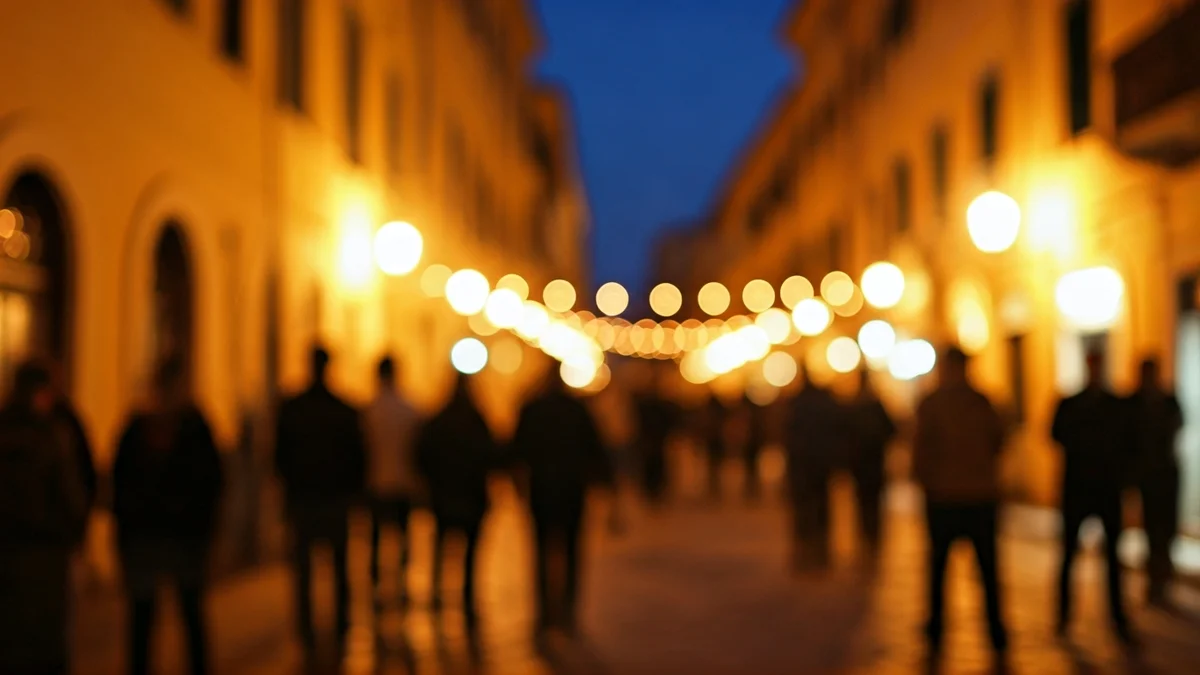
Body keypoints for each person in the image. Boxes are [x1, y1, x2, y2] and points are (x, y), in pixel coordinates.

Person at [113, 356, 224, 675]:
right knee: (149, 616)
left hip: (176, 538)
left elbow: (211, 483)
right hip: (158, 537)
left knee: (181, 613)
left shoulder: (190, 429)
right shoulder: (143, 428)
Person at [913, 347, 1008, 659]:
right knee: (984, 569)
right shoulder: (980, 402)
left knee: (942, 568)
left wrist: (927, 483)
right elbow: (999, 440)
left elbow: (920, 452)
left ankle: (940, 630)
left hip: (949, 498)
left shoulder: (934, 403)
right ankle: (995, 632)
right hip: (974, 497)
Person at [275, 346, 366, 660]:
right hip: (334, 500)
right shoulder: (344, 410)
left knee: (304, 572)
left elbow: (279, 457)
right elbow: (358, 458)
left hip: (304, 500)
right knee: (339, 568)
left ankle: (307, 633)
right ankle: (340, 627)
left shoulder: (293, 409)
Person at [0, 361, 88, 675]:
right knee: (46, 640)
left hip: (11, 553)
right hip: (46, 552)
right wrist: (76, 533)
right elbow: (71, 494)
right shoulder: (52, 435)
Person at [510, 368, 613, 637]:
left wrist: (519, 486)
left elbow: (517, 450)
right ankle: (568, 608)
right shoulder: (577, 410)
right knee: (571, 549)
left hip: (541, 489)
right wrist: (604, 488)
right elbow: (595, 450)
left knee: (541, 548)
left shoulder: (532, 410)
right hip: (572, 489)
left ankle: (545, 610)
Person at [1051, 350, 1136, 644]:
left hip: (1105, 490)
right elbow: (1055, 434)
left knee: (1113, 557)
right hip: (1077, 489)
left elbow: (1128, 442)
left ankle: (1117, 616)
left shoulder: (1115, 406)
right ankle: (1063, 616)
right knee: (1068, 554)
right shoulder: (1071, 404)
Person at [416, 374, 500, 626]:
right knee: (471, 554)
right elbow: (492, 456)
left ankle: (437, 594)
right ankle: (467, 600)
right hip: (472, 496)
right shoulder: (477, 420)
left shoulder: (439, 420)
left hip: (444, 496)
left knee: (441, 547)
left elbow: (422, 454)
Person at [364, 356, 422, 610]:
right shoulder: (409, 410)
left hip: (376, 485)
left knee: (376, 540)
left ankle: (376, 587)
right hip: (403, 485)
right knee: (402, 539)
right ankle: (400, 583)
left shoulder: (369, 411)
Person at [1128, 357, 1183, 607]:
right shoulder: (1136, 403)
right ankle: (1155, 582)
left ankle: (1164, 581)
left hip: (1165, 475)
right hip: (1149, 476)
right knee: (1152, 529)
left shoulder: (1167, 401)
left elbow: (1177, 426)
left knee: (1166, 529)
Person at [784, 365, 846, 572]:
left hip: (802, 465)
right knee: (821, 509)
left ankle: (805, 553)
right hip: (821, 465)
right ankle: (821, 553)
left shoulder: (796, 403)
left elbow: (787, 434)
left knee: (803, 511)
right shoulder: (826, 402)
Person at [850, 369, 897, 557]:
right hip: (873, 462)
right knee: (873, 502)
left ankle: (867, 538)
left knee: (863, 502)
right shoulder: (875, 406)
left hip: (862, 463)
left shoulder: (854, 406)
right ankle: (872, 538)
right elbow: (891, 430)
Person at [632, 367, 678, 505]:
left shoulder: (653, 404)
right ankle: (652, 490)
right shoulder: (647, 405)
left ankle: (655, 490)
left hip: (656, 440)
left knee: (656, 465)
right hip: (652, 440)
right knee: (652, 465)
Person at [702, 394, 729, 501]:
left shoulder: (712, 415)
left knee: (714, 464)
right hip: (714, 441)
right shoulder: (717, 416)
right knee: (714, 464)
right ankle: (713, 486)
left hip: (714, 441)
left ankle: (713, 485)